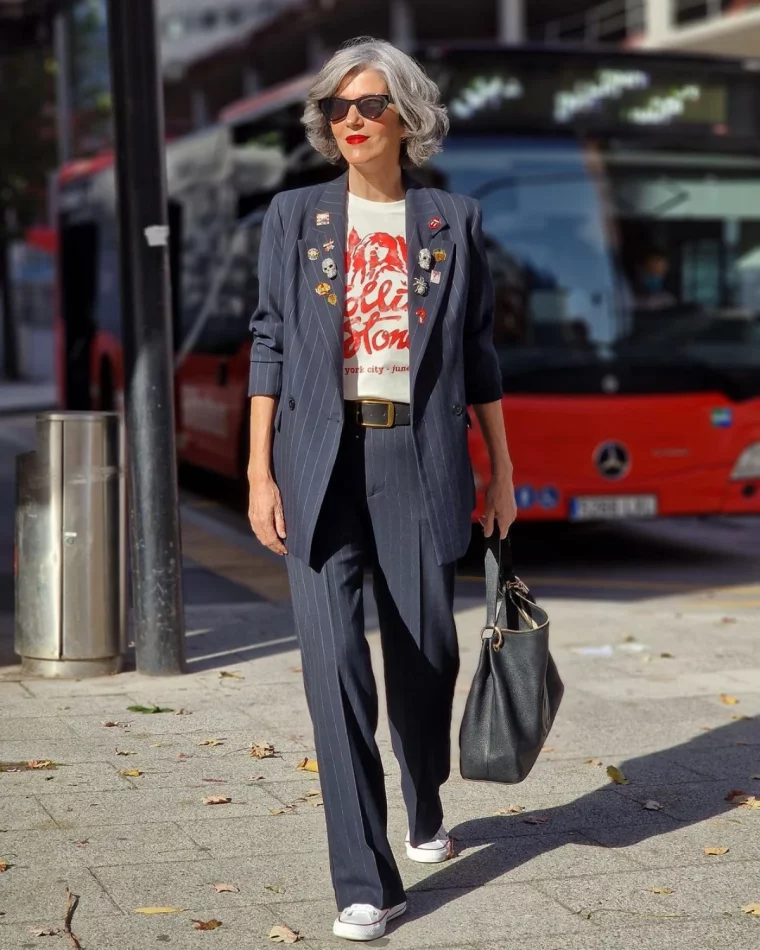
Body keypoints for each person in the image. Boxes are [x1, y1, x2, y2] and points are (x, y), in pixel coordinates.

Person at [246, 36, 517, 942]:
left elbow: (479, 356)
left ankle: (425, 798)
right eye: (336, 109)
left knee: (425, 665)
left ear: (406, 115)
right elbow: (270, 343)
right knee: (334, 679)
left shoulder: (453, 218)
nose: (350, 121)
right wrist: (258, 470)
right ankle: (366, 880)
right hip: (318, 463)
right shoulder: (293, 216)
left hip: (420, 461)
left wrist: (504, 473)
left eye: (368, 106)